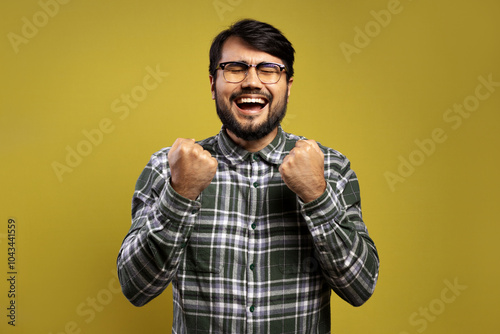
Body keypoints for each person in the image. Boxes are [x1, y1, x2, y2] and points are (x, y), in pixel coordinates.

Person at [117, 19, 379, 333]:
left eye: (269, 69)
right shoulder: (169, 167)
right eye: (235, 68)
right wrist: (180, 194)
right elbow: (136, 288)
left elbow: (360, 287)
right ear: (213, 84)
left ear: (288, 86)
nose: (251, 81)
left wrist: (316, 196)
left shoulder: (331, 168)